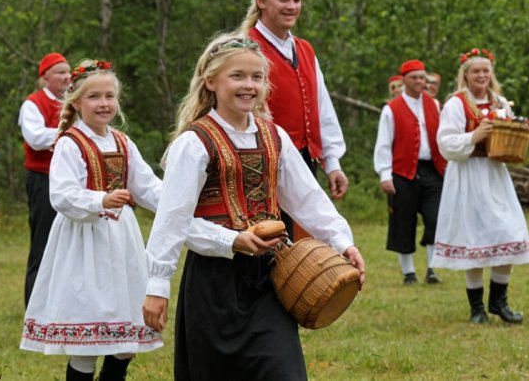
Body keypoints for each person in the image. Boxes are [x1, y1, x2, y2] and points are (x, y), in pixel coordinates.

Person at [142, 33, 365, 381]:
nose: (249, 85)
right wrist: (158, 285)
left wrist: (342, 242)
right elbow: (175, 221)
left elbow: (308, 200)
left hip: (270, 276)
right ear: (211, 81)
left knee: (284, 372)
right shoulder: (194, 143)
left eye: (257, 77)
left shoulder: (275, 136)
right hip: (213, 283)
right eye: (238, 76)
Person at [20, 60, 164, 381]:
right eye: (94, 97)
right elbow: (61, 194)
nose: (103, 104)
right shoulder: (70, 143)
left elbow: (149, 186)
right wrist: (100, 199)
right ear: (76, 101)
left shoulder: (123, 142)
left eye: (109, 96)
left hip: (121, 243)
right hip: (83, 242)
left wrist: (179, 201)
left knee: (126, 335)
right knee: (86, 337)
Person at [237, 0, 349, 240]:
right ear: (262, 1)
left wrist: (332, 162)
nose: (291, 6)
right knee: (266, 239)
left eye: (296, 0)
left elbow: (322, 107)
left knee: (301, 244)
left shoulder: (305, 49)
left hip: (302, 158)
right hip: (258, 159)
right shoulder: (244, 47)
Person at [430, 48, 529, 324]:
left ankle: (498, 301)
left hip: (495, 175)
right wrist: (473, 136)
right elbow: (445, 143)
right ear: (465, 74)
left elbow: (509, 130)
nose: (482, 75)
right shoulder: (456, 104)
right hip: (467, 176)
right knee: (473, 237)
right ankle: (476, 308)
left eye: (486, 71)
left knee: (507, 230)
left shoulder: (500, 102)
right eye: (476, 71)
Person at [374, 60, 446, 285]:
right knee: (403, 221)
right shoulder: (392, 108)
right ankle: (409, 272)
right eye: (414, 77)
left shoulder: (434, 104)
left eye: (422, 78)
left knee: (436, 218)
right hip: (403, 171)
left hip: (432, 169)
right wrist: (385, 174)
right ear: (403, 79)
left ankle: (433, 269)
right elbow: (384, 144)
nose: (419, 82)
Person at [18, 52, 71, 307]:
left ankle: (62, 302)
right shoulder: (33, 103)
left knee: (70, 242)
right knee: (43, 241)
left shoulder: (73, 102)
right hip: (43, 179)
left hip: (70, 182)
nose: (67, 76)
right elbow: (36, 138)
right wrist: (70, 133)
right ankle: (34, 306)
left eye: (68, 72)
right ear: (45, 77)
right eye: (60, 72)